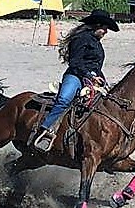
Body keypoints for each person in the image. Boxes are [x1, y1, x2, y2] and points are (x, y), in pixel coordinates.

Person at [33, 9, 119, 152]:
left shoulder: (96, 42)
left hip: (91, 79)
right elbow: (75, 62)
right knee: (64, 99)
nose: (106, 31)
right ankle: (45, 129)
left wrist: (100, 79)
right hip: (75, 76)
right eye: (104, 28)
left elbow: (95, 66)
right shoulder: (81, 39)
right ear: (97, 25)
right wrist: (90, 76)